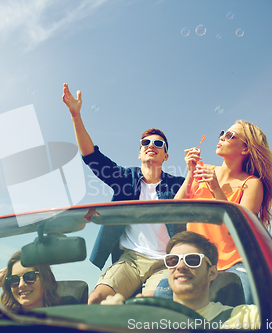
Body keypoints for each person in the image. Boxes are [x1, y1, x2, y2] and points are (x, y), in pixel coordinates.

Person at [62, 83, 185, 304]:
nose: (151, 145)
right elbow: (92, 158)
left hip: (166, 262)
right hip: (130, 260)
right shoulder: (125, 178)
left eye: (159, 143)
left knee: (148, 305)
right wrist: (75, 116)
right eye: (145, 142)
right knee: (97, 300)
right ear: (139, 152)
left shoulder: (178, 184)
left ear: (166, 156)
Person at [154, 120, 272, 304]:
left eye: (230, 135)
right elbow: (176, 211)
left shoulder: (251, 183)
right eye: (223, 132)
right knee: (162, 293)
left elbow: (240, 228)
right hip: (196, 260)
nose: (222, 137)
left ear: (245, 149)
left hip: (234, 263)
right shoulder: (202, 172)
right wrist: (190, 173)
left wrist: (216, 189)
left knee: (247, 296)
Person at [102, 231, 261, 329]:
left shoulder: (243, 318)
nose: (180, 266)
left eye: (192, 260)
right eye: (172, 260)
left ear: (212, 273)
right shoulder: (144, 322)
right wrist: (108, 321)